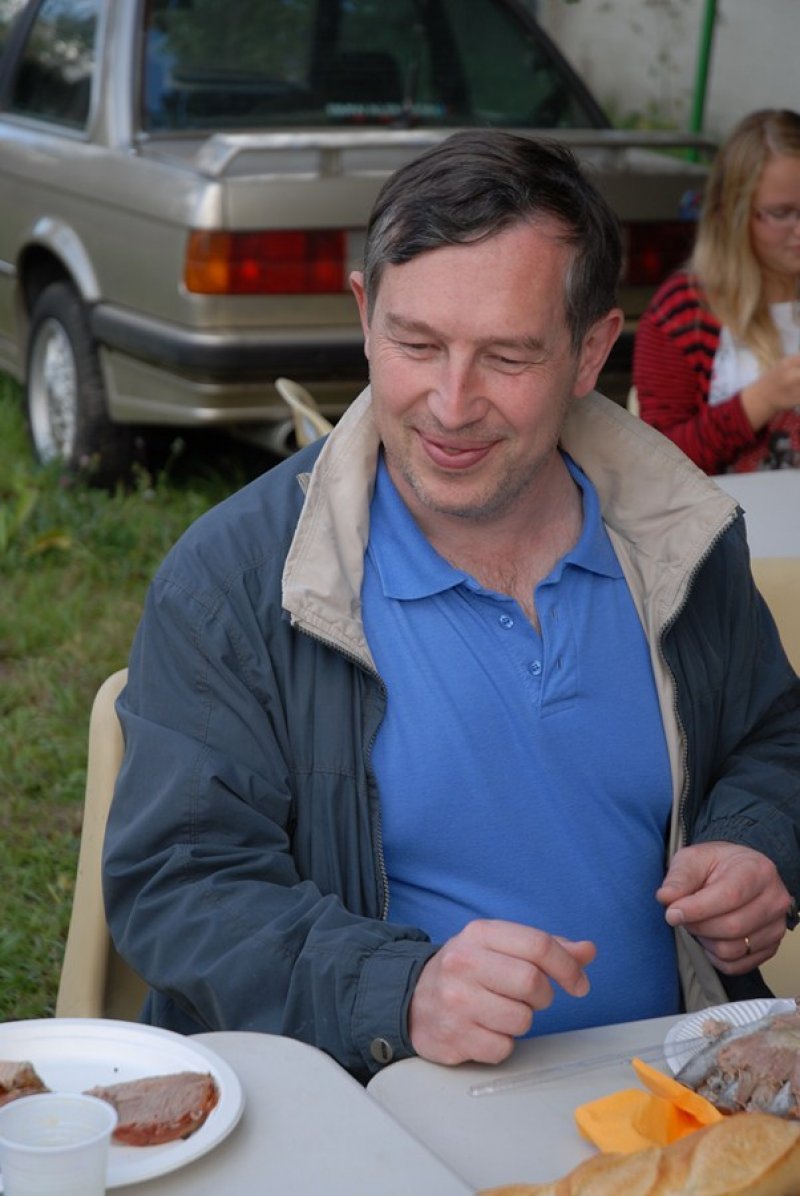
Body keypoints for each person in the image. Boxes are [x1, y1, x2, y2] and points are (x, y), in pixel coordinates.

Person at [103, 131, 800, 1083]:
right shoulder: (237, 580)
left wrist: (757, 841)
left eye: (508, 355)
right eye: (416, 343)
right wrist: (400, 992)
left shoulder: (677, 534)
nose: (451, 403)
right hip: (374, 1117)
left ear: (592, 350)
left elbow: (775, 737)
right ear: (365, 314)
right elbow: (178, 883)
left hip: (668, 1105)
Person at [633, 108, 800, 474]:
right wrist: (762, 400)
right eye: (781, 213)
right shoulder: (684, 311)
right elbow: (658, 465)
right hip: (729, 511)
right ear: (733, 213)